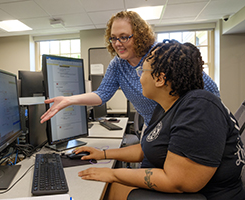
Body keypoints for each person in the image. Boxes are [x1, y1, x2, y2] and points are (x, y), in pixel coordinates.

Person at [75, 40, 245, 200]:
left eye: (142, 72)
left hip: (204, 196)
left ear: (160, 78)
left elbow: (176, 181)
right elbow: (146, 149)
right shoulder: (167, 106)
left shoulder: (199, 108)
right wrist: (102, 154)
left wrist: (112, 174)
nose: (139, 78)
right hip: (183, 189)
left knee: (106, 189)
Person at [40, 11, 219, 126]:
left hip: (182, 126)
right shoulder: (118, 65)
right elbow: (102, 94)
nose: (118, 43)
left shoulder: (161, 55)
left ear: (139, 35)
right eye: (113, 38)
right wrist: (70, 100)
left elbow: (210, 90)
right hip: (154, 129)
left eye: (124, 37)